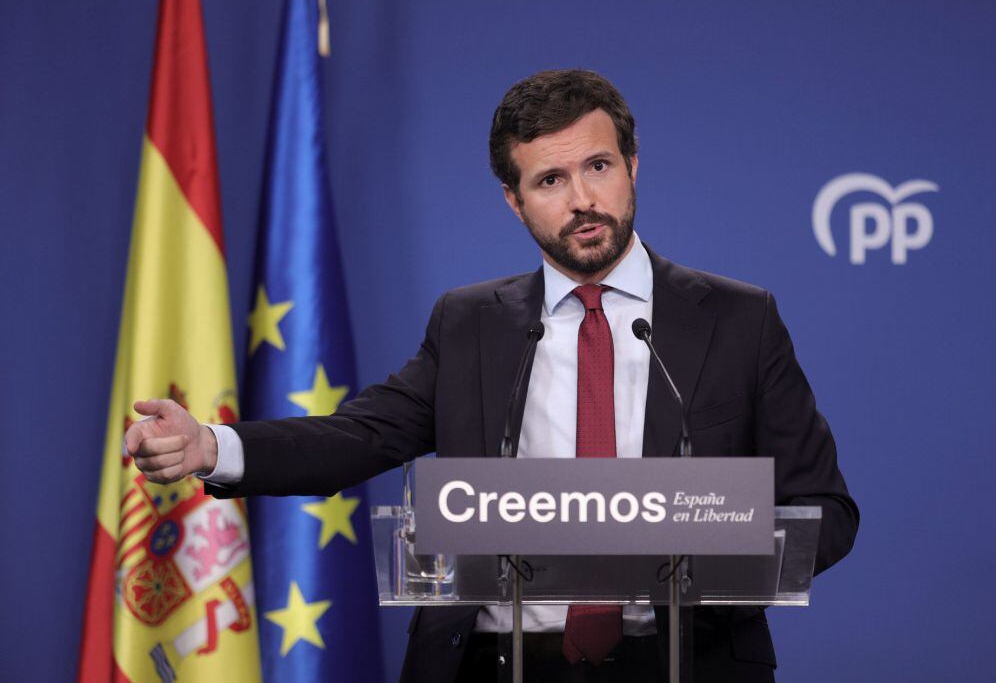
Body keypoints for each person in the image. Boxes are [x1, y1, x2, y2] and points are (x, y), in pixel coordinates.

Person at [127, 69, 859, 682]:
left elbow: (824, 509)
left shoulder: (738, 319)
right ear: (515, 199)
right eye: (549, 179)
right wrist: (211, 448)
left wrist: (705, 547)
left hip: (677, 660)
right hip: (496, 660)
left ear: (633, 165)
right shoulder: (470, 322)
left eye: (598, 166)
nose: (582, 198)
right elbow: (362, 434)